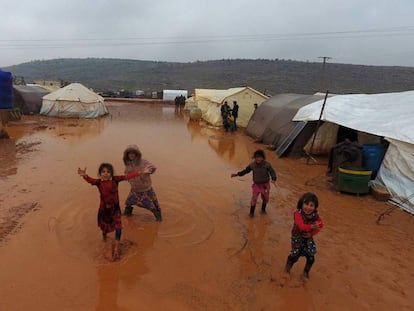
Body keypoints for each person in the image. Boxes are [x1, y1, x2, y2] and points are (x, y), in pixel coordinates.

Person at [77, 163, 146, 260]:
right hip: (104, 210)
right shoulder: (98, 182)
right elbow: (90, 180)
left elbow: (126, 176)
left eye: (108, 172)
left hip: (115, 210)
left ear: (111, 173)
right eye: (103, 172)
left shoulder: (115, 180)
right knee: (104, 227)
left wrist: (139, 172)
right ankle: (104, 238)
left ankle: (117, 248)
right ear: (100, 173)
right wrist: (84, 176)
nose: (106, 174)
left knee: (118, 227)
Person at [285, 192, 324, 279]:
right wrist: (311, 226)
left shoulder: (315, 216)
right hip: (297, 238)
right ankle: (286, 270)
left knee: (311, 258)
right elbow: (301, 226)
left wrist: (312, 233)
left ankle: (305, 273)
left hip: (308, 238)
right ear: (301, 203)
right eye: (306, 204)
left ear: (315, 207)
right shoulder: (297, 214)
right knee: (294, 256)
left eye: (311, 205)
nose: (308, 207)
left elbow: (321, 225)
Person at [231, 149, 277, 217]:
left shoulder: (267, 165)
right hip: (256, 185)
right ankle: (251, 213)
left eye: (260, 157)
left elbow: (272, 172)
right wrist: (237, 174)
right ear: (254, 158)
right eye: (256, 157)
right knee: (254, 198)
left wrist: (273, 179)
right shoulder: (252, 165)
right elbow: (245, 171)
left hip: (265, 185)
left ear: (263, 158)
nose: (258, 159)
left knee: (265, 198)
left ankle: (263, 210)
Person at [123, 144, 162, 221]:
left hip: (145, 189)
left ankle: (159, 219)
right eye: (129, 153)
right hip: (134, 189)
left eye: (133, 153)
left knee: (152, 206)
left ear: (137, 154)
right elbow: (126, 174)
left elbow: (153, 167)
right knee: (128, 203)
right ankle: (127, 214)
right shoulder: (128, 164)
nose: (131, 155)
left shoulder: (143, 162)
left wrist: (148, 170)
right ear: (127, 155)